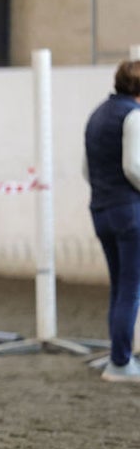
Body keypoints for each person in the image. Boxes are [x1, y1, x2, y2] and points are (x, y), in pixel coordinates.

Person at [83, 59, 140, 383]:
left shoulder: (98, 114)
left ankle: (120, 355)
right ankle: (121, 361)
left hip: (102, 208)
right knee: (131, 289)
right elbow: (134, 166)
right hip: (129, 211)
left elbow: (86, 170)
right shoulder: (132, 115)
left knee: (120, 286)